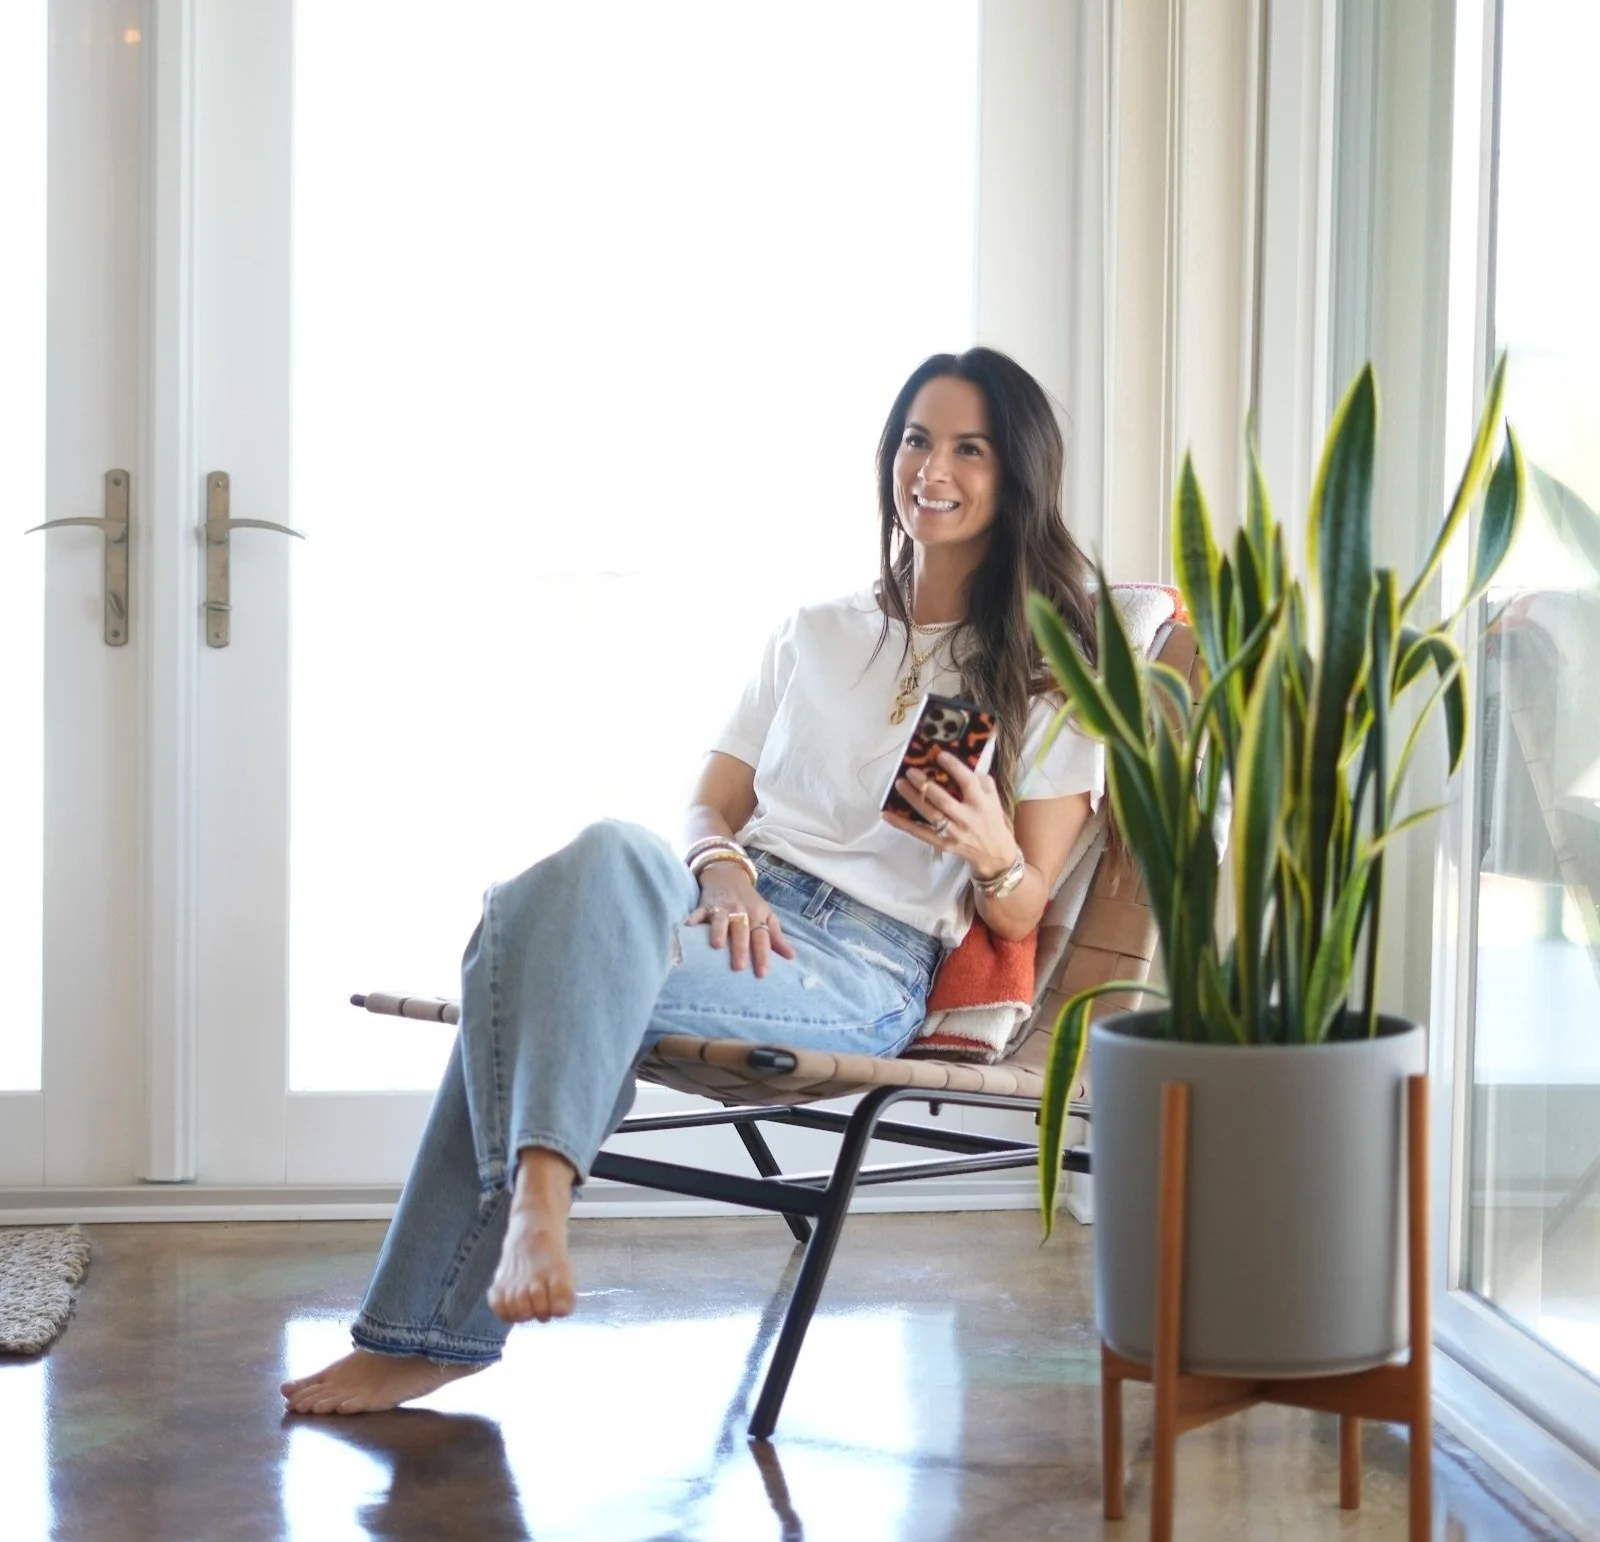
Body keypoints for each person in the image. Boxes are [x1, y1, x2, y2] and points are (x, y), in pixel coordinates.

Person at [282, 346, 1104, 1415]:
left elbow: (1025, 905)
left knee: (514, 942)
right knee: (606, 852)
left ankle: (455, 1294)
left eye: (967, 447)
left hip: (863, 963)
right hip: (738, 913)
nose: (930, 468)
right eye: (914, 438)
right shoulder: (816, 631)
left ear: (1016, 475)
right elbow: (702, 806)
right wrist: (721, 874)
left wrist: (994, 851)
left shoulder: (1053, 662)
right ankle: (533, 1201)